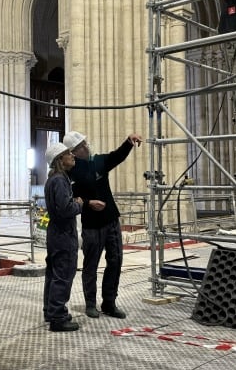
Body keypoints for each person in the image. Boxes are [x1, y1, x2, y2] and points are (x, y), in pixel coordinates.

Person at [63, 130, 142, 319]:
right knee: (91, 265)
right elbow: (70, 196)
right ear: (73, 152)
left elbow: (116, 156)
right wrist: (89, 202)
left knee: (115, 261)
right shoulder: (70, 172)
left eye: (86, 143)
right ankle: (90, 304)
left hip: (111, 220)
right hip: (92, 225)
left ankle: (109, 303)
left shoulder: (98, 162)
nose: (86, 146)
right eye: (81, 146)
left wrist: (128, 142)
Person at [42, 142, 83, 332]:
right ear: (60, 159)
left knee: (53, 274)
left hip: (56, 233)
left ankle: (51, 311)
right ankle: (57, 317)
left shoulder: (53, 179)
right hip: (63, 234)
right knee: (63, 275)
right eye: (68, 154)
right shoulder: (59, 180)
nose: (72, 155)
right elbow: (65, 209)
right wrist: (79, 204)